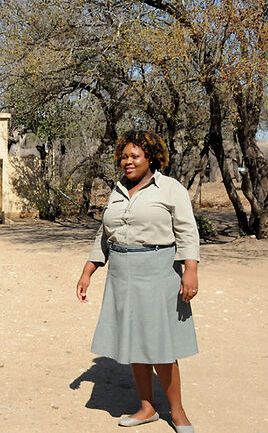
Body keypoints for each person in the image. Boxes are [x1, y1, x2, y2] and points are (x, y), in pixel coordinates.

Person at [76, 130, 199, 433]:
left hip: (157, 271)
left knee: (160, 345)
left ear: (151, 158)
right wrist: (88, 271)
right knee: (133, 342)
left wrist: (190, 270)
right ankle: (147, 408)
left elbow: (187, 231)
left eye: (135, 156)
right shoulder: (117, 191)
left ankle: (178, 411)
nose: (127, 162)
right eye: (124, 156)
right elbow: (104, 235)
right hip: (121, 272)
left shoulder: (170, 189)